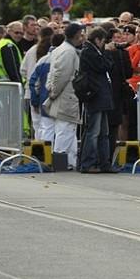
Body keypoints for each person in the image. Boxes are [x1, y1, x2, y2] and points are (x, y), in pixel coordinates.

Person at [45, 23, 84, 170]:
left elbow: (53, 73)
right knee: (65, 129)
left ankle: (70, 161)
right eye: (81, 34)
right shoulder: (68, 52)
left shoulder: (61, 49)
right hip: (66, 95)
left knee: (69, 130)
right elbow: (61, 75)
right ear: (76, 35)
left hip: (64, 94)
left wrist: (51, 89)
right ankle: (60, 161)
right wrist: (54, 92)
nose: (82, 38)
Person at [79, 27, 115, 173]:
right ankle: (88, 163)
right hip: (95, 95)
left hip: (101, 95)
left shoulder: (93, 51)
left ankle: (104, 162)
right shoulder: (89, 52)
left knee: (103, 132)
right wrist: (108, 52)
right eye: (103, 41)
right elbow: (104, 66)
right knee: (93, 131)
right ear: (98, 40)